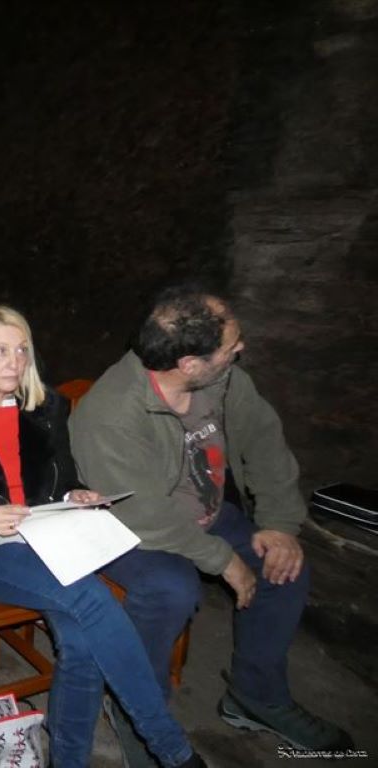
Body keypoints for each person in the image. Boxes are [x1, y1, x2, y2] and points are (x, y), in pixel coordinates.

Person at [70, 284, 354, 758]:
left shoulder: (221, 380)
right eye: (230, 346)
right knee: (169, 589)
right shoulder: (110, 413)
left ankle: (256, 695)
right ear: (188, 363)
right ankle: (138, 710)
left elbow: (264, 444)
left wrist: (279, 523)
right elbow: (143, 514)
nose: (240, 350)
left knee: (285, 566)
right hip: (129, 527)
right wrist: (222, 560)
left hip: (205, 514)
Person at [0, 304, 205, 768]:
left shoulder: (46, 410)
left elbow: (62, 479)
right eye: (0, 351)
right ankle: (172, 748)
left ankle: (68, 760)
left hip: (48, 537)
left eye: (22, 350)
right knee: (92, 599)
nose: (16, 361)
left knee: (81, 642)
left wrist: (74, 494)